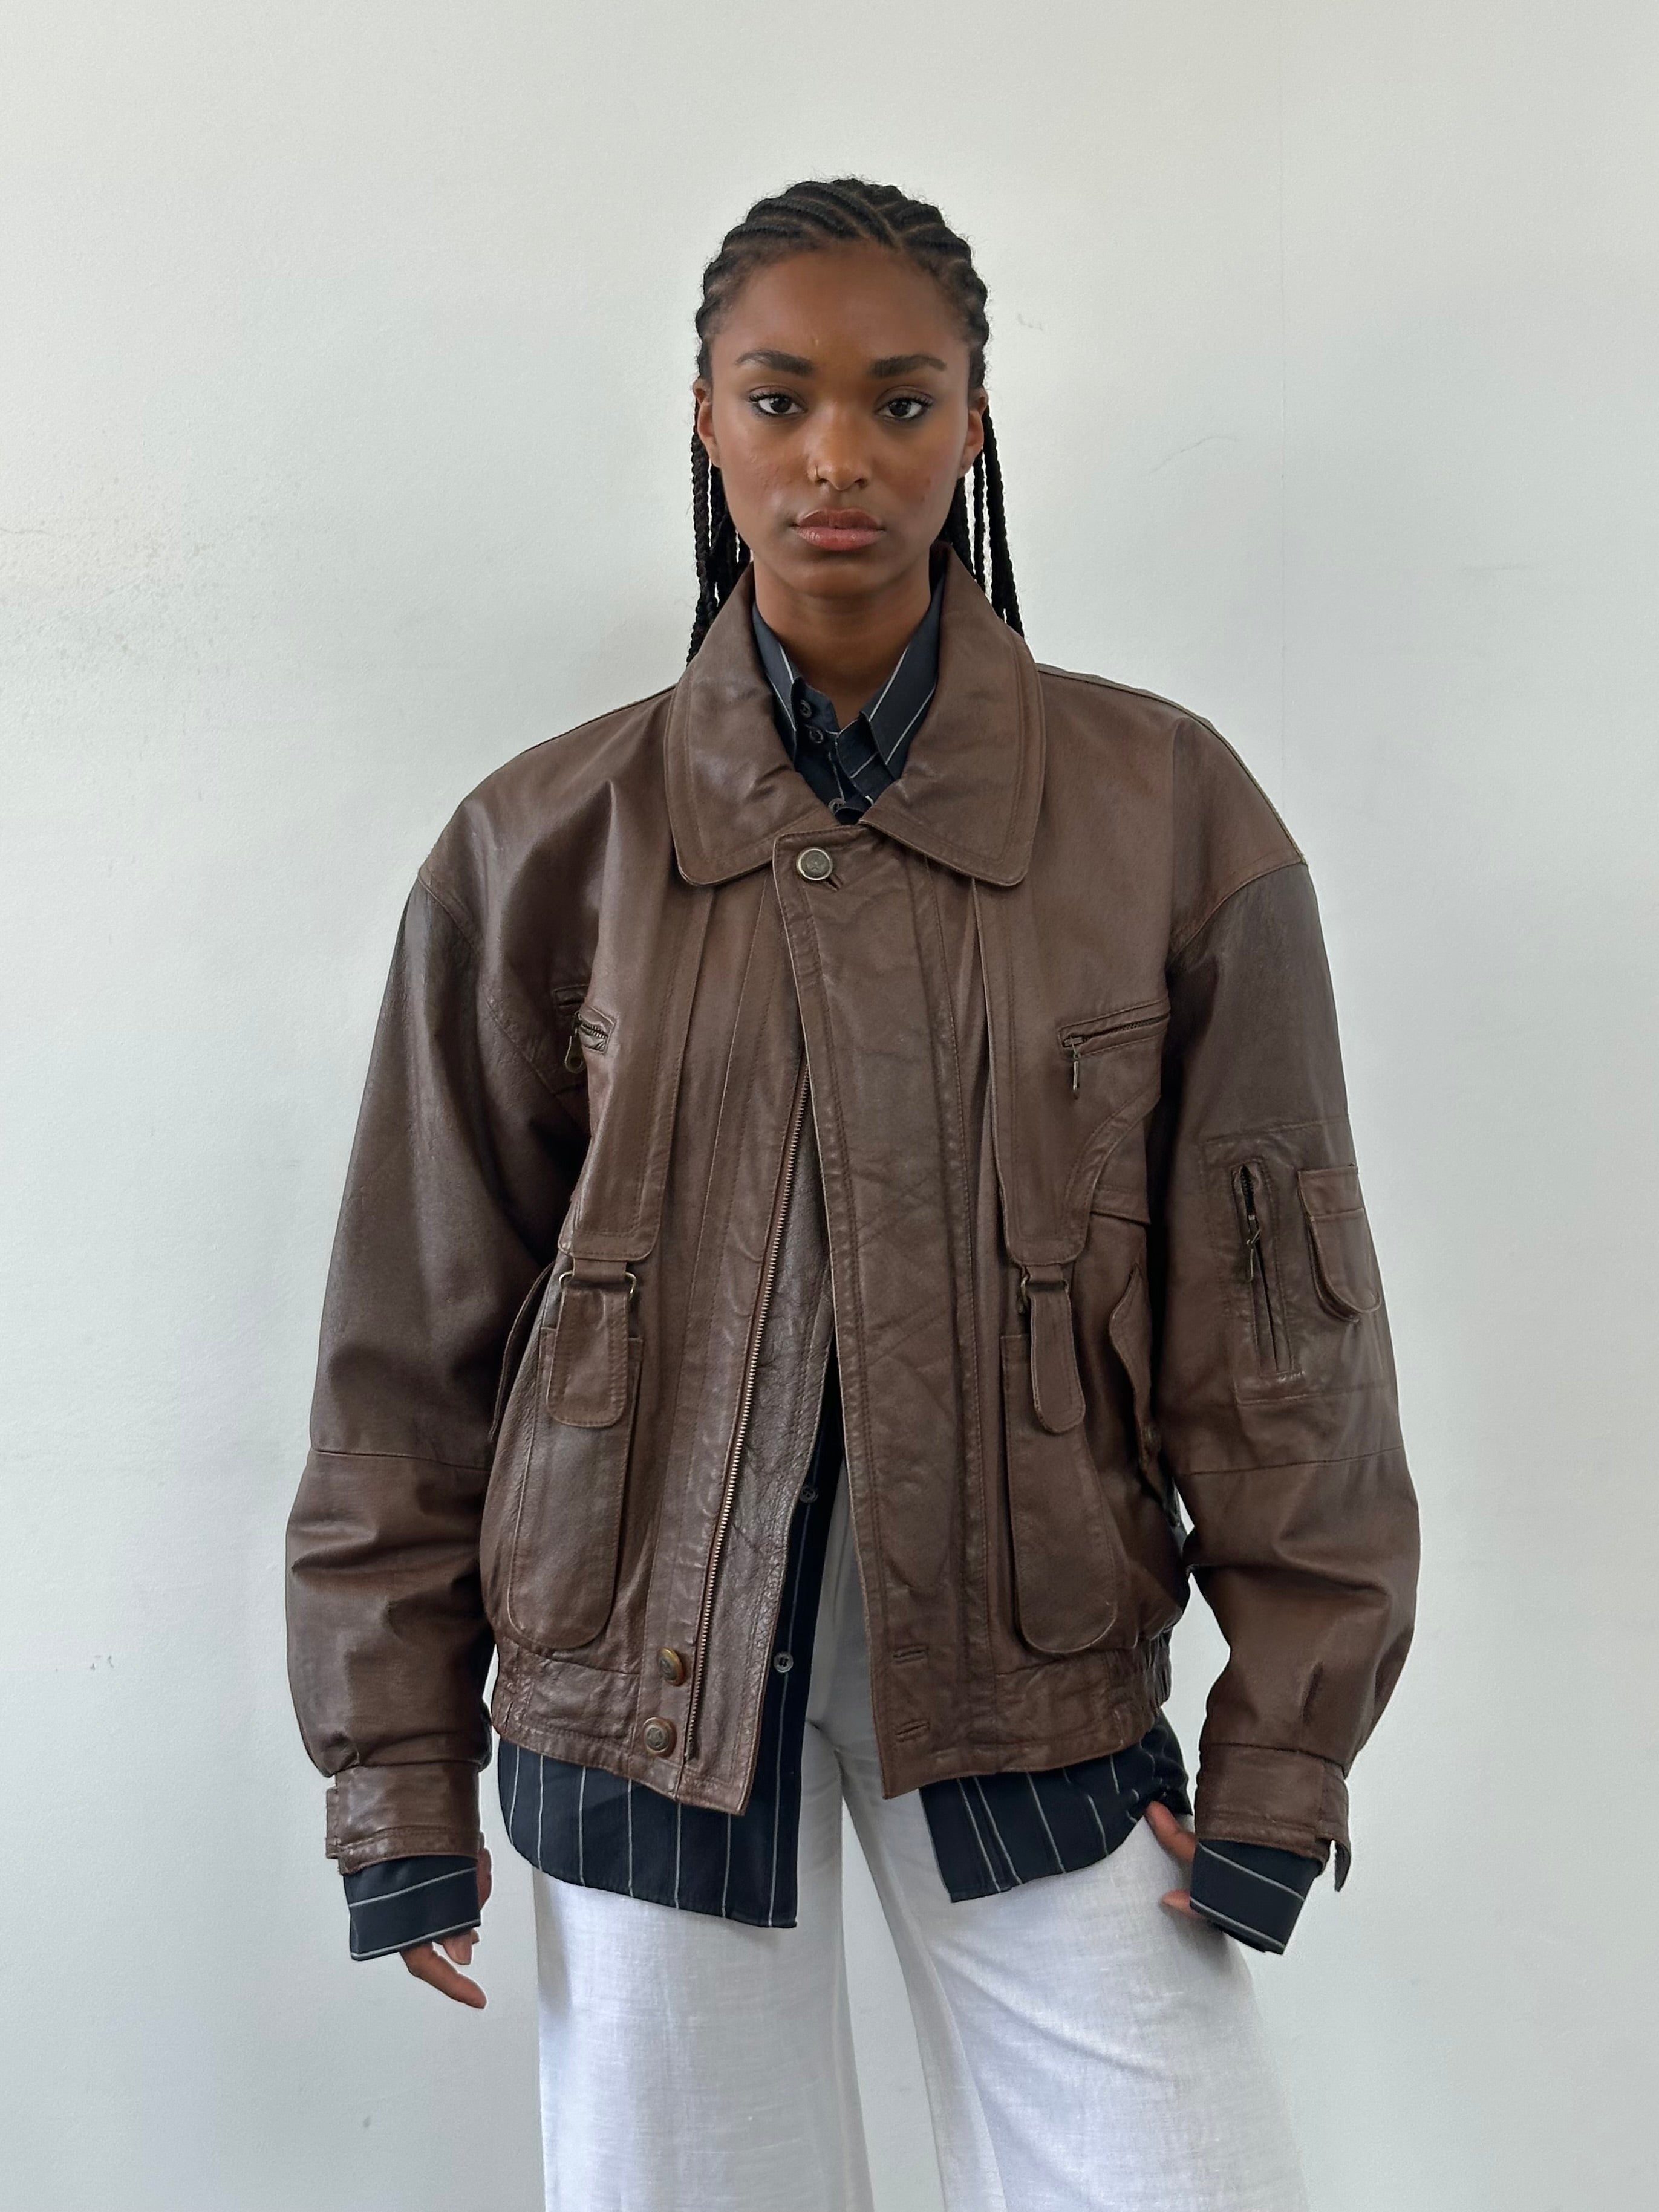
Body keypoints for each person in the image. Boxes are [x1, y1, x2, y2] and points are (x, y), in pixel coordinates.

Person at [285, 177, 1419, 2212]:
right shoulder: (543, 841)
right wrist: (395, 1772)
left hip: (1038, 1677)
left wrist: (1288, 1742)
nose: (838, 458)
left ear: (972, 420)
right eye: (780, 397)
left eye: (899, 402)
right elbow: (413, 1342)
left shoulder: (1170, 810)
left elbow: (1281, 1338)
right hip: (633, 1681)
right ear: (704, 417)